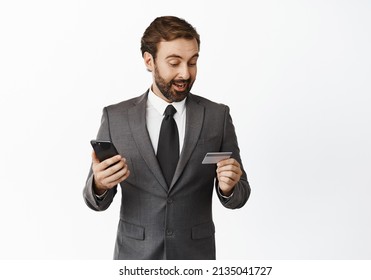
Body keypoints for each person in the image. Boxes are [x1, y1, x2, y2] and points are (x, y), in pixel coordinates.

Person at [83, 16, 251, 260]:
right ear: (149, 61)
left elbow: (240, 195)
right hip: (135, 257)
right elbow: (95, 201)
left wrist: (229, 188)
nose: (185, 73)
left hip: (195, 258)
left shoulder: (217, 116)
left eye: (192, 62)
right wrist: (100, 185)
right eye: (174, 63)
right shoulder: (115, 118)